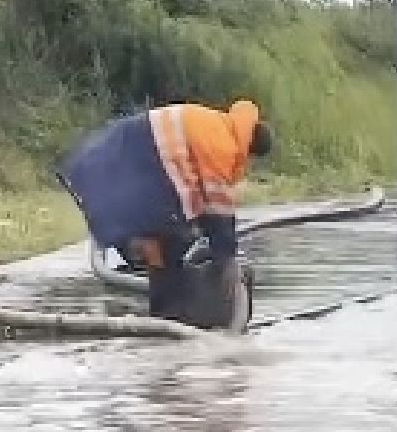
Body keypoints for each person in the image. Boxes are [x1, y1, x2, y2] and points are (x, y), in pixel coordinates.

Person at [56, 99, 272, 327]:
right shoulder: (225, 147)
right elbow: (218, 212)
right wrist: (226, 260)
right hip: (147, 158)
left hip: (137, 149)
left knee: (171, 240)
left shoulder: (220, 124)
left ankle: (166, 314)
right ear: (251, 149)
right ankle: (166, 322)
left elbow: (197, 189)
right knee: (164, 243)